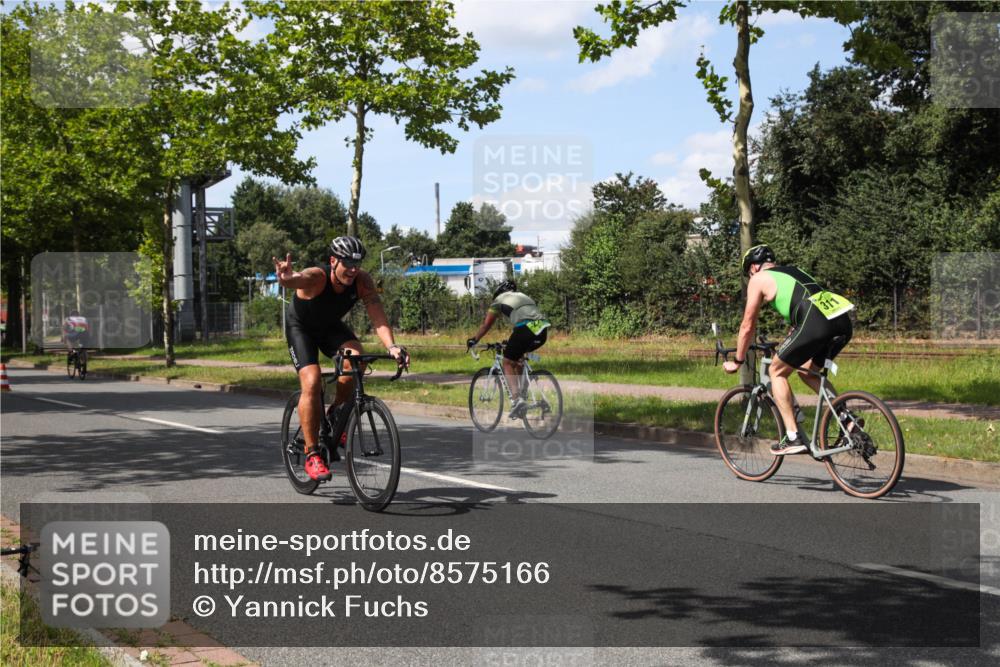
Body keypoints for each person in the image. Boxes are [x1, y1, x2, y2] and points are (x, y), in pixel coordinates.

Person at [274, 236, 408, 482]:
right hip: (301, 329)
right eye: (347, 263)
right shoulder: (318, 277)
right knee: (312, 381)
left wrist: (392, 346)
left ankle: (336, 412)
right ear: (333, 260)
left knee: (356, 358)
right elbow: (299, 279)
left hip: (329, 328)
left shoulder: (362, 281)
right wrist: (287, 278)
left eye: (357, 264)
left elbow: (378, 317)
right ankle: (312, 453)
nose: (353, 269)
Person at [723, 244, 854, 455]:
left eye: (748, 273)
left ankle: (793, 437)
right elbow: (805, 305)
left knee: (776, 371)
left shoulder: (758, 279)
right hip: (841, 320)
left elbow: (748, 324)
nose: (750, 278)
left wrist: (737, 360)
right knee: (806, 371)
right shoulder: (794, 271)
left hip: (817, 322)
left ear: (754, 268)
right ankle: (848, 420)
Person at [467, 280, 550, 418]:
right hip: (542, 328)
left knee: (506, 362)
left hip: (525, 328)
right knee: (517, 359)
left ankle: (517, 400)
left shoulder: (498, 300)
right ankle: (523, 396)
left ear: (499, 293)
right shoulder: (523, 296)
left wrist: (474, 340)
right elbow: (528, 317)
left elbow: (486, 325)